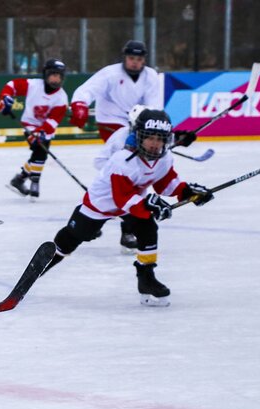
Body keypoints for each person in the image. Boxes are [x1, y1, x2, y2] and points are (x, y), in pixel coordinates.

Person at [43, 109, 214, 307]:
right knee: (73, 237)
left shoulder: (164, 158)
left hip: (131, 204)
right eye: (150, 138)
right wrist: (149, 203)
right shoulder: (122, 160)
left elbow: (166, 183)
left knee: (148, 228)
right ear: (138, 136)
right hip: (100, 204)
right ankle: (43, 265)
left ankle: (146, 278)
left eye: (160, 139)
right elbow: (121, 198)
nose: (155, 144)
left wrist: (188, 192)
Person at [68, 40, 197, 252]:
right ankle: (111, 217)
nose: (135, 63)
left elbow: (154, 109)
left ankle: (127, 224)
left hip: (141, 124)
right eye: (131, 58)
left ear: (144, 60)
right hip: (112, 123)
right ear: (124, 57)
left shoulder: (151, 77)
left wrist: (169, 137)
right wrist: (80, 105)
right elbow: (88, 89)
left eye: (139, 59)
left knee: (140, 173)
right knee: (129, 170)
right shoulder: (110, 73)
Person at [0, 58, 69, 200]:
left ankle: (20, 178)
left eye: (59, 76)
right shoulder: (33, 85)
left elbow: (54, 119)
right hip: (29, 124)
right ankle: (35, 181)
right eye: (53, 74)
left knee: (39, 153)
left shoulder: (62, 97)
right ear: (46, 74)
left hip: (46, 129)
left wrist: (43, 131)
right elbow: (12, 85)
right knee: (40, 152)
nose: (56, 79)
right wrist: (5, 98)